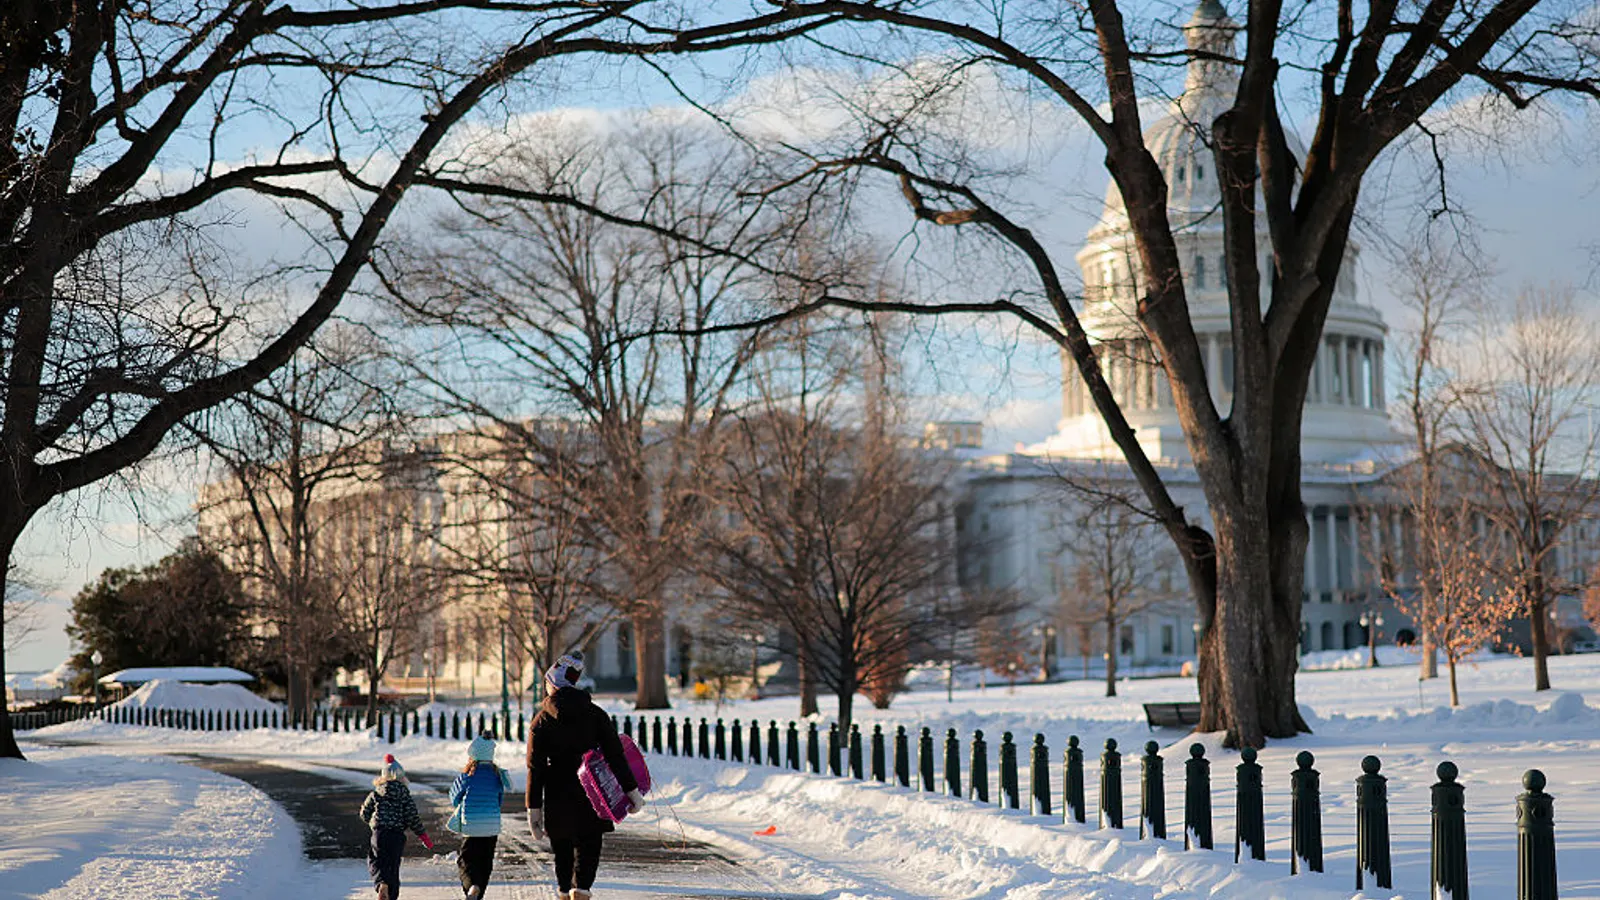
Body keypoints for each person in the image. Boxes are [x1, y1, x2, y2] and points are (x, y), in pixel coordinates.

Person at [526, 652, 645, 900]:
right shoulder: (596, 715)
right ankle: (581, 890)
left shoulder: (541, 721)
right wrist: (631, 791)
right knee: (589, 843)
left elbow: (535, 767)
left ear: (553, 684)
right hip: (594, 791)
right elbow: (615, 756)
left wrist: (534, 809)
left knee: (563, 848)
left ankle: (562, 890)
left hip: (557, 792)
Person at [360, 753, 434, 900]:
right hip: (396, 836)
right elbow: (413, 818)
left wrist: (373, 823)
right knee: (393, 867)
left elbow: (364, 813)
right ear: (402, 778)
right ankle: (391, 895)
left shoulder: (376, 794)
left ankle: (381, 884)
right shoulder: (405, 796)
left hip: (379, 833)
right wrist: (424, 836)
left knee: (375, 859)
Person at [449, 734, 514, 899]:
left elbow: (454, 797)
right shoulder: (497, 776)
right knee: (485, 863)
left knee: (466, 862)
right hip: (491, 828)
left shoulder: (467, 776)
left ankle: (472, 887)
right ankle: (478, 892)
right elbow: (499, 799)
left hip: (471, 827)